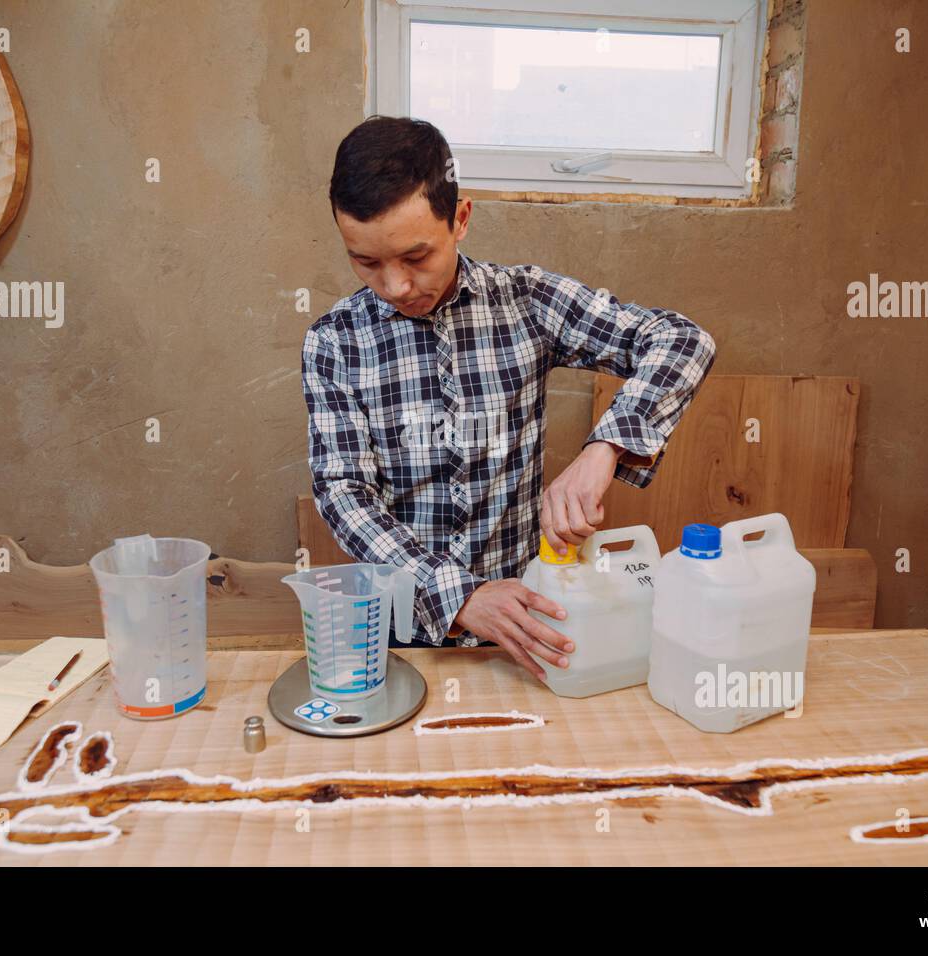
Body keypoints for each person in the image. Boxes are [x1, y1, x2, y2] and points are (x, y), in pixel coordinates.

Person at [302, 116, 716, 680]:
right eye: (366, 261)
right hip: (401, 640)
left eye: (416, 257)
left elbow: (682, 341)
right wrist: (460, 596)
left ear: (461, 219)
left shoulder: (526, 301)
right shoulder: (334, 341)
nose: (396, 286)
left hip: (531, 634)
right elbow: (343, 491)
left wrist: (606, 449)